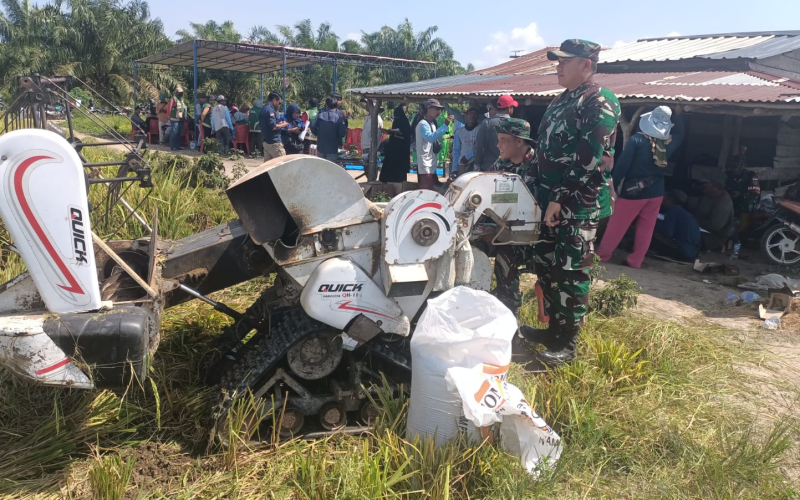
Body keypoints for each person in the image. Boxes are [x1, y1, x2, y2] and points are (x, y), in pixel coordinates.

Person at [522, 39, 621, 365]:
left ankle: (568, 345)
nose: (558, 66)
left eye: (565, 61)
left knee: (572, 272)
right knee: (547, 268)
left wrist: (559, 198)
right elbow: (544, 151)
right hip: (551, 203)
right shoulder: (561, 101)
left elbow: (590, 159)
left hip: (580, 205)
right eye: (557, 61)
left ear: (587, 65)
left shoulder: (599, 100)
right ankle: (553, 332)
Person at [596, 105, 686, 268]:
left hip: (633, 191)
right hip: (657, 191)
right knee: (646, 228)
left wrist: (613, 186)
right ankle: (635, 261)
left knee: (617, 225)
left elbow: (622, 166)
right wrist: (678, 116)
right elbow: (680, 134)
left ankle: (602, 255)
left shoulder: (636, 141)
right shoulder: (667, 143)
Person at [488, 118, 537, 316]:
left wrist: (498, 230)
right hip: (504, 228)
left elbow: (537, 209)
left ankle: (509, 309)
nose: (498, 145)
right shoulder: (501, 163)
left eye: (503, 140)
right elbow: (487, 193)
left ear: (519, 141)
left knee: (505, 253)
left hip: (534, 234)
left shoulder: (539, 165)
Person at [650, 190, 701, 262]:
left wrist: (654, 222)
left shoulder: (672, 210)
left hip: (683, 250)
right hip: (693, 252)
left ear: (669, 199)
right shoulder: (684, 213)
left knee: (649, 230)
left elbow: (667, 232)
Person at [415, 98, 451, 190]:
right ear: (429, 108)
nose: (439, 111)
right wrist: (445, 126)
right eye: (437, 109)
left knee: (430, 187)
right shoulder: (423, 124)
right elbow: (430, 138)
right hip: (425, 162)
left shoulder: (432, 124)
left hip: (431, 160)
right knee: (426, 188)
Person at [474, 95, 516, 172]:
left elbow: (479, 146)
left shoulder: (486, 123)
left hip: (488, 168)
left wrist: (477, 164)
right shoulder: (516, 124)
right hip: (509, 169)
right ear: (508, 109)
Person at [693, 176, 735, 251]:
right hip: (699, 229)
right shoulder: (708, 195)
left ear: (716, 186)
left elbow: (715, 226)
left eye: (707, 183)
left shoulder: (723, 203)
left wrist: (696, 221)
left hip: (712, 238)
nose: (704, 185)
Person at [725, 146, 761, 233]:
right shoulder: (727, 174)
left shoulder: (751, 176)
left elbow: (755, 193)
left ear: (743, 166)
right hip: (727, 197)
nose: (736, 169)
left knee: (747, 203)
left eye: (738, 167)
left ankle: (743, 231)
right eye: (734, 167)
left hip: (745, 199)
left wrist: (740, 194)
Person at [379, 104, 412, 183]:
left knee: (399, 168)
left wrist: (396, 133)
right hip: (393, 148)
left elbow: (405, 134)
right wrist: (389, 132)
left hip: (401, 149)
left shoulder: (404, 121)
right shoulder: (397, 121)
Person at [311, 96, 347, 162]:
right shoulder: (338, 118)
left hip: (321, 148)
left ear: (326, 105)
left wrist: (318, 134)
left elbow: (313, 127)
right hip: (332, 149)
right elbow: (342, 133)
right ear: (336, 105)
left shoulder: (320, 116)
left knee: (321, 168)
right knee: (330, 170)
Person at [259, 92, 289, 160]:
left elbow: (268, 123)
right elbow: (274, 127)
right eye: (279, 102)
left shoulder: (264, 108)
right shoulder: (270, 110)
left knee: (268, 167)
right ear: (274, 100)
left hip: (266, 141)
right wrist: (285, 124)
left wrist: (279, 123)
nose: (279, 105)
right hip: (274, 142)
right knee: (282, 163)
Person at [451, 106, 480, 176]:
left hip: (476, 164)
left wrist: (468, 155)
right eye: (469, 113)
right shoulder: (459, 132)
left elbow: (482, 148)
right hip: (462, 164)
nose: (472, 115)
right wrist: (454, 169)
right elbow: (456, 151)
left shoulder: (481, 130)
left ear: (477, 116)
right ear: (465, 116)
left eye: (474, 113)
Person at [166, 86, 187, 151]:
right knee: (174, 132)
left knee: (179, 133)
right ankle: (173, 146)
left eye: (181, 92)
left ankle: (178, 146)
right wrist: (169, 115)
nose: (181, 93)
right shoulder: (173, 99)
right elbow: (169, 107)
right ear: (176, 92)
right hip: (174, 119)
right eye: (179, 92)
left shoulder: (181, 99)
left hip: (181, 119)